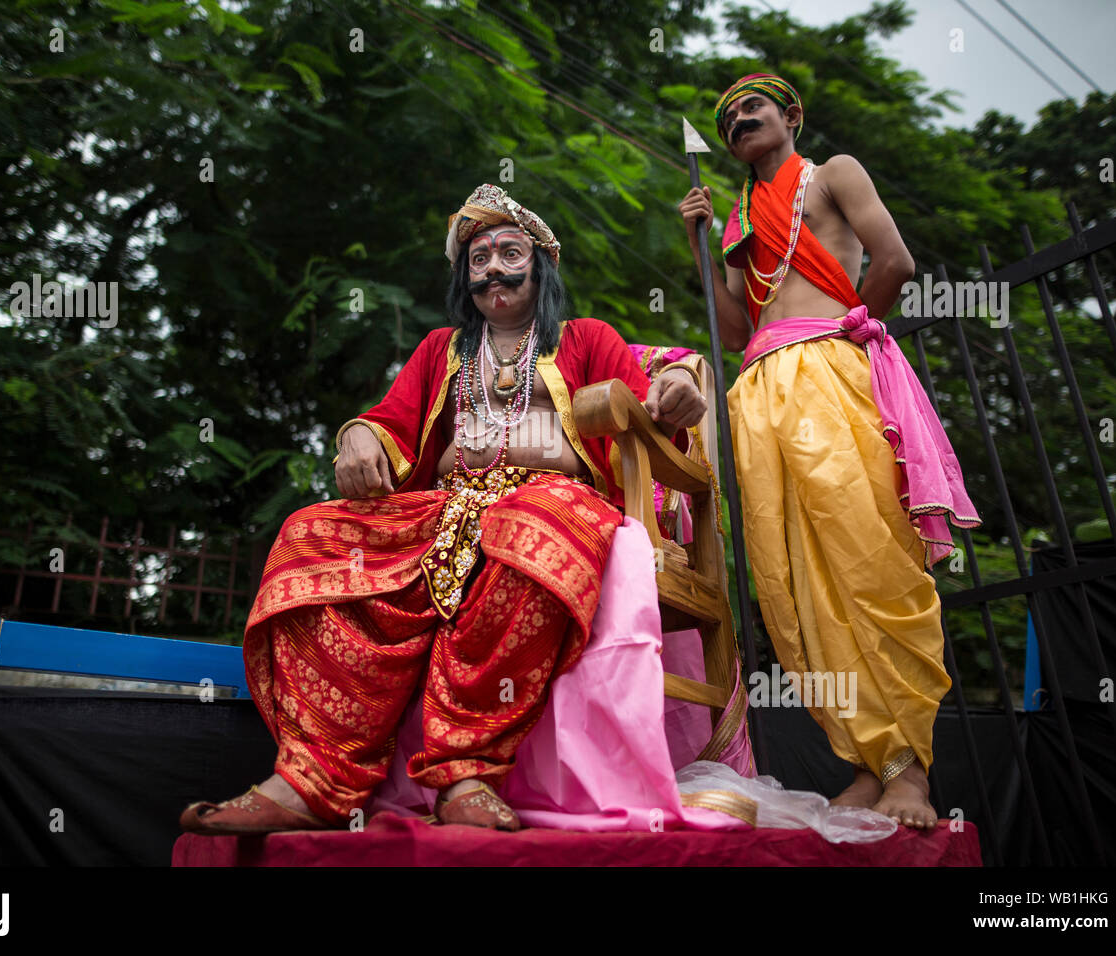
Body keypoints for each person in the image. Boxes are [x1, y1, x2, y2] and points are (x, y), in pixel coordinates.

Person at [180, 183, 707, 834]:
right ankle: (314, 778)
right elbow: (387, 421)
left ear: (540, 264)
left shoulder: (585, 337)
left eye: (508, 252)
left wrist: (677, 386)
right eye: (477, 259)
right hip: (439, 507)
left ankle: (467, 771)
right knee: (306, 534)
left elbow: (646, 405)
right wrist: (356, 438)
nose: (491, 268)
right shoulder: (441, 350)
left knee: (531, 529)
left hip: (551, 504)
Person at [677, 73, 980, 829]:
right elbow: (734, 328)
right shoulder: (741, 213)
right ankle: (867, 767)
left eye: (753, 106)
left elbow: (896, 264)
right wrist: (701, 246)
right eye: (727, 118)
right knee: (791, 586)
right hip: (757, 389)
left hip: (830, 370)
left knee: (867, 559)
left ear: (791, 116)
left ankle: (911, 768)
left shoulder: (833, 172)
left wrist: (844, 336)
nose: (739, 118)